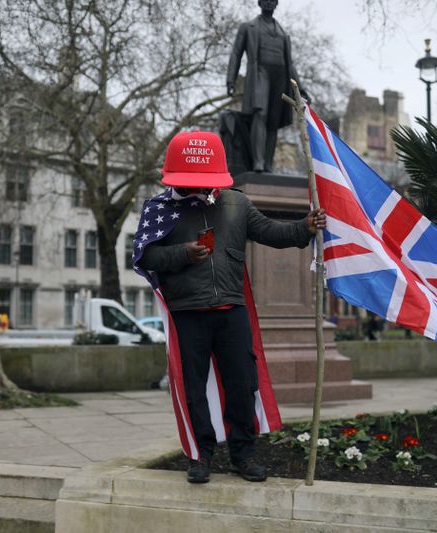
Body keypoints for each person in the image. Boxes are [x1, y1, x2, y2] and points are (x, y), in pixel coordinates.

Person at [134, 130, 325, 484]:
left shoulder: (237, 204)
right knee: (193, 388)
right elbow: (147, 257)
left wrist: (304, 228)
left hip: (230, 310)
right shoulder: (159, 209)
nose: (198, 189)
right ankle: (201, 456)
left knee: (242, 385)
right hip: (187, 312)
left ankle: (244, 454)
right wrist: (183, 253)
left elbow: (271, 232)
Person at [226, 0, 306, 173]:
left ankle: (268, 164)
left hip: (280, 76)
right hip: (260, 73)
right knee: (260, 114)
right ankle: (258, 161)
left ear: (276, 4)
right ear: (259, 2)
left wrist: (301, 88)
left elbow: (290, 64)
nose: (269, 2)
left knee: (273, 120)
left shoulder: (284, 34)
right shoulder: (248, 27)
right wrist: (230, 79)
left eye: (272, 0)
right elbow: (236, 53)